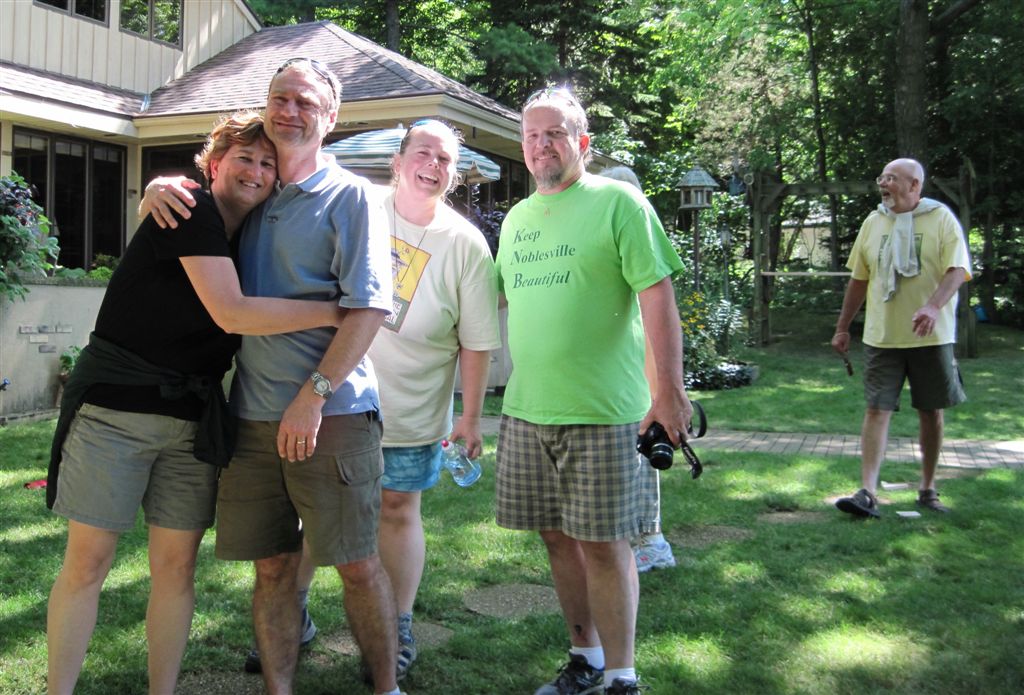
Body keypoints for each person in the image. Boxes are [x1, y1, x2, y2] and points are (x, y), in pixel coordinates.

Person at [45, 110, 349, 695]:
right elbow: (231, 313)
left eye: (267, 163)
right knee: (88, 563)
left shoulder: (257, 237)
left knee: (177, 568)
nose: (255, 171)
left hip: (191, 425)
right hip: (116, 414)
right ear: (213, 165)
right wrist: (338, 312)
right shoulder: (191, 208)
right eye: (243, 158)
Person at [141, 58, 402, 695]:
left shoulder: (351, 197)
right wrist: (157, 186)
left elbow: (370, 308)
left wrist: (314, 396)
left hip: (333, 415)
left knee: (357, 564)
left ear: (330, 118)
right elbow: (199, 205)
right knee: (273, 569)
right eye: (279, 98)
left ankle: (387, 687)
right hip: (252, 418)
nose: (289, 111)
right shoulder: (252, 192)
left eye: (305, 102)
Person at [241, 119, 502, 682]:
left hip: (411, 408)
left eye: (445, 160)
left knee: (397, 509)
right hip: (336, 402)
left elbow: (477, 341)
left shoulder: (465, 244)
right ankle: (293, 614)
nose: (433, 166)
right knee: (309, 513)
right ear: (398, 160)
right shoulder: (358, 203)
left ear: (454, 176)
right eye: (423, 153)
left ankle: (398, 627)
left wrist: (470, 416)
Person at [495, 87, 693, 695]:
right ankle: (585, 657)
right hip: (528, 411)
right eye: (531, 135)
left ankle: (622, 675)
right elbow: (492, 299)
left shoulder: (619, 202)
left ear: (582, 142)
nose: (541, 146)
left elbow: (657, 297)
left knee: (606, 545)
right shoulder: (516, 219)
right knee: (557, 539)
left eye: (554, 134)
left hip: (606, 413)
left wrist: (669, 393)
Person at [832, 158, 971, 518]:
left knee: (931, 412)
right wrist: (843, 326)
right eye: (882, 177)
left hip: (931, 337)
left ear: (914, 185)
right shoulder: (873, 222)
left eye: (892, 178)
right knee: (876, 409)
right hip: (882, 337)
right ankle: (867, 492)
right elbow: (859, 278)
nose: (883, 183)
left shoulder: (940, 218)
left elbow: (958, 270)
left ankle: (927, 488)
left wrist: (933, 307)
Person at [598, 165, 677, 573]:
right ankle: (631, 538)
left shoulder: (640, 244)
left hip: (639, 377)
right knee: (622, 463)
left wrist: (663, 388)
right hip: (616, 376)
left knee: (643, 459)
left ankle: (652, 541)